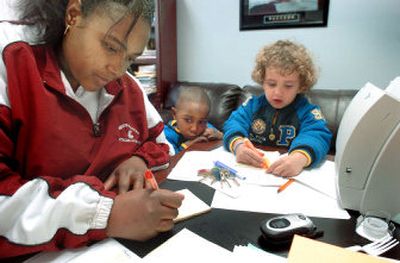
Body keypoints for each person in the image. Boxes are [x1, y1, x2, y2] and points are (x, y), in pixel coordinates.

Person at [0, 0, 184, 259]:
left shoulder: (127, 88)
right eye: (110, 46)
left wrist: (140, 158)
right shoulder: (12, 64)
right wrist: (104, 214)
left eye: (131, 57)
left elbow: (162, 143)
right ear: (74, 15)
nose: (118, 68)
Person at [223, 40, 332, 177]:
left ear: (301, 86)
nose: (278, 93)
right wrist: (238, 145)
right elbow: (233, 123)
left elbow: (318, 135)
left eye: (288, 86)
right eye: (272, 84)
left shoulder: (307, 111)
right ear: (262, 81)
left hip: (288, 176)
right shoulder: (253, 105)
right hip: (251, 172)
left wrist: (299, 158)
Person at [164, 86, 223, 154]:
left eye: (201, 122)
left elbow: (224, 137)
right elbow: (168, 159)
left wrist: (220, 135)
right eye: (188, 120)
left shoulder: (205, 128)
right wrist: (188, 145)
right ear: (174, 114)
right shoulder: (167, 135)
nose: (194, 129)